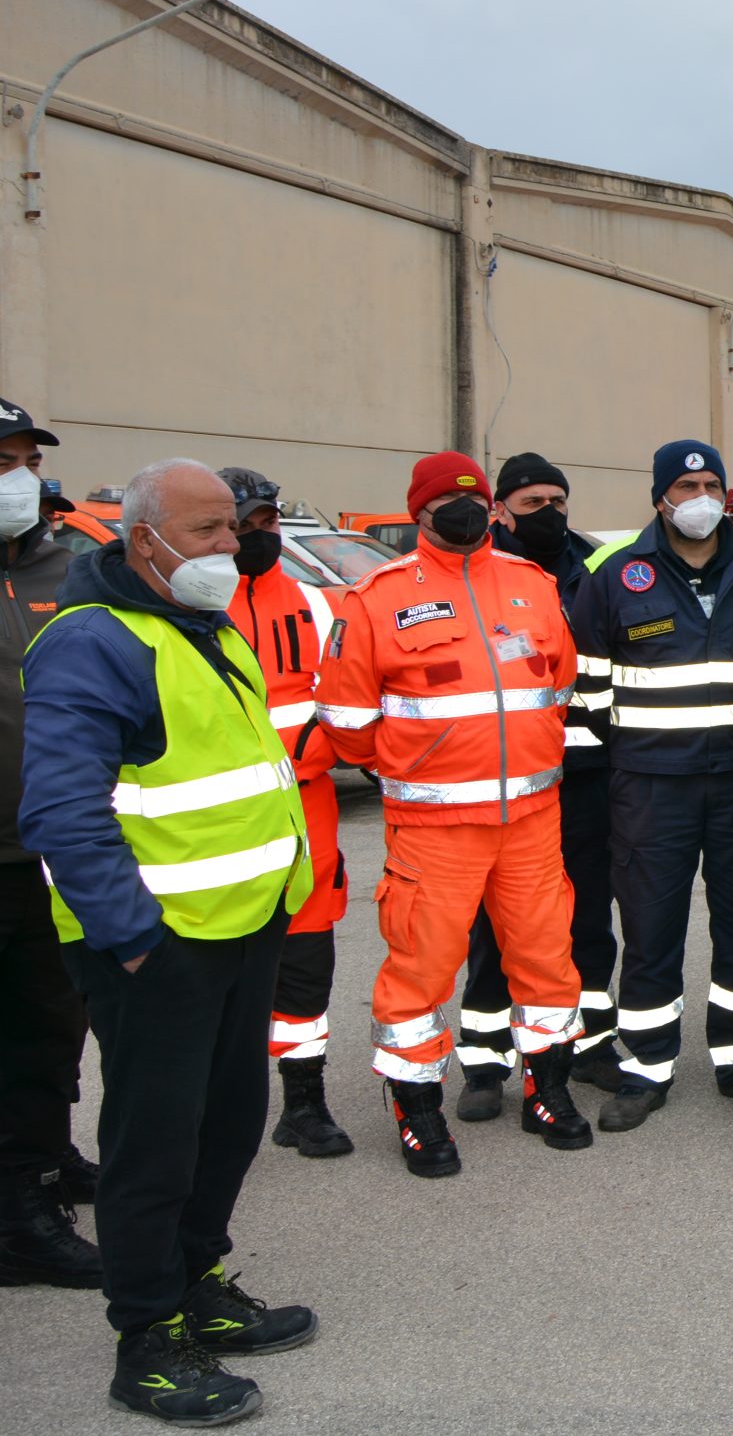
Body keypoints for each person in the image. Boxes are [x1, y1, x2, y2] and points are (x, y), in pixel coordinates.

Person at [20, 458, 318, 1423]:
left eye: (232, 530)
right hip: (159, 945)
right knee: (152, 1142)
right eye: (206, 533)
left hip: (242, 925)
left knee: (226, 1124)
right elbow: (62, 811)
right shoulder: (93, 641)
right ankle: (146, 1336)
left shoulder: (195, 622)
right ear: (141, 539)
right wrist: (135, 939)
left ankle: (199, 1280)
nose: (230, 549)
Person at [316, 452, 592, 1174]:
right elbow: (346, 724)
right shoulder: (373, 599)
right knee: (421, 969)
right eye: (449, 503)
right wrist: (426, 759)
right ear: (420, 514)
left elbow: (556, 684)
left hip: (531, 818)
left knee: (546, 960)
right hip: (434, 828)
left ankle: (548, 1091)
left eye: (476, 500)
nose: (467, 514)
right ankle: (419, 1114)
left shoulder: (531, 585)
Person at [571, 441, 733, 1132]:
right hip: (649, 788)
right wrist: (634, 761)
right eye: (687, 484)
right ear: (660, 496)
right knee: (650, 928)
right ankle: (645, 1067)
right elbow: (584, 694)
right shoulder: (611, 571)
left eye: (711, 483)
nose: (702, 496)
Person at [0, 396, 98, 1334]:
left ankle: (23, 1220)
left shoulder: (66, 568)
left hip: (54, 856)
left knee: (42, 1046)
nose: (16, 479)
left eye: (26, 461)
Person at [456, 453, 622, 1108]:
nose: (550, 513)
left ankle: (588, 1044)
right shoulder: (481, 573)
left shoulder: (594, 568)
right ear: (500, 510)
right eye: (533, 504)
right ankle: (486, 1063)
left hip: (586, 776)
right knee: (497, 926)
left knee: (587, 921)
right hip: (512, 781)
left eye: (558, 499)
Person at [211, 469, 353, 1160]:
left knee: (304, 964)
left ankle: (304, 1102)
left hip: (308, 815)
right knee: (214, 973)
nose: (255, 534)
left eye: (266, 521)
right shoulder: (187, 607)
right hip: (217, 824)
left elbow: (348, 702)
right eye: (241, 523)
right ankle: (206, 1111)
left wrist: (308, 751)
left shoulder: (317, 605)